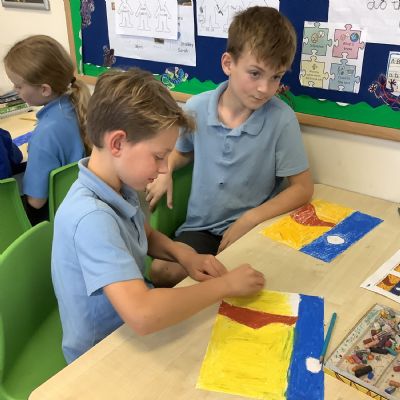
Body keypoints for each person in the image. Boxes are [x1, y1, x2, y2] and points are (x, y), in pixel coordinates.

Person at [51, 68, 265, 364]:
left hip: (130, 331)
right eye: (158, 156)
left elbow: (144, 233)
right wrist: (226, 286)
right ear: (117, 144)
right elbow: (143, 314)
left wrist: (183, 255)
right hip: (102, 355)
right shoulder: (92, 218)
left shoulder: (117, 184)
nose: (165, 169)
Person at [146, 6, 314, 287]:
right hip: (203, 229)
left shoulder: (281, 119)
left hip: (256, 228)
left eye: (276, 77)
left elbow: (303, 188)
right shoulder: (197, 107)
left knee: (265, 282)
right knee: (162, 271)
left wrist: (250, 219)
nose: (265, 88)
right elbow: (183, 151)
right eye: (255, 73)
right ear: (228, 64)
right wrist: (167, 170)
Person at [4, 35, 91, 224]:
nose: (14, 89)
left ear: (44, 89)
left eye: (18, 86)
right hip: (83, 207)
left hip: (58, 220)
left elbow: (36, 202)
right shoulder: (78, 106)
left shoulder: (44, 135)